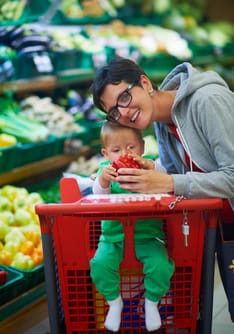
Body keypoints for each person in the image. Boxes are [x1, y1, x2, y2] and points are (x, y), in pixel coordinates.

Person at [89, 57, 234, 322]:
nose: (122, 113)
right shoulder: (160, 122)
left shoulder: (207, 100)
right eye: (113, 112)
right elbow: (182, 172)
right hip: (222, 225)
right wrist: (151, 168)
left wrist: (167, 183)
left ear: (144, 83)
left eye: (124, 98)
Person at [90, 121, 175, 332]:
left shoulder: (148, 166)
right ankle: (114, 302)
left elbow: (165, 178)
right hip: (113, 236)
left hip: (148, 235)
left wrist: (153, 167)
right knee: (99, 264)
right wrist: (102, 181)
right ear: (105, 153)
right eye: (116, 150)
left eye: (131, 147)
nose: (125, 154)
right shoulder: (105, 170)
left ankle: (152, 302)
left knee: (160, 265)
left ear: (143, 147)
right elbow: (97, 197)